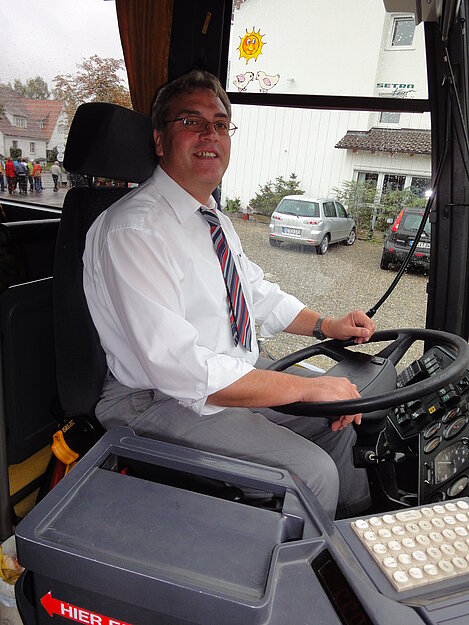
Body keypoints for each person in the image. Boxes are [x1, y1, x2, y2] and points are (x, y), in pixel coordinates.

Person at [83, 70, 375, 519]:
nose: (210, 135)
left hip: (228, 374)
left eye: (220, 124)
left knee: (339, 420)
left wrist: (326, 325)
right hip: (156, 399)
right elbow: (179, 368)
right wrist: (305, 388)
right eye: (192, 122)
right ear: (159, 140)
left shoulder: (211, 217)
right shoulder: (134, 231)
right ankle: (306, 560)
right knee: (311, 473)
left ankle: (356, 537)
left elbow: (253, 291)